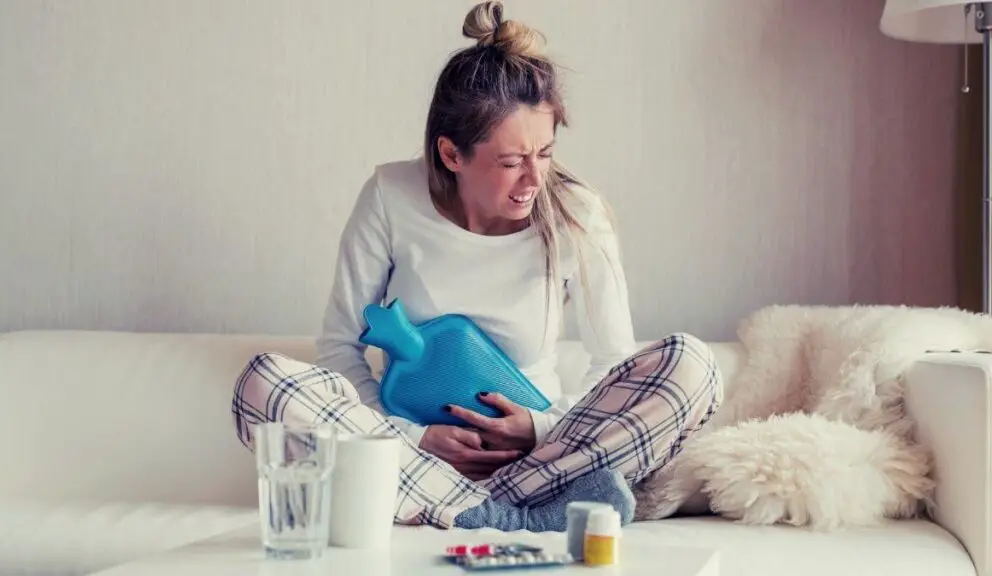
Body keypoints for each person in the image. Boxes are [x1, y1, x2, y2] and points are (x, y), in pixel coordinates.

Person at [232, 1, 722, 532]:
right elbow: (340, 348)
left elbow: (612, 359)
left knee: (691, 365)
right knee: (263, 383)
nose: (533, 179)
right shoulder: (390, 197)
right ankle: (506, 510)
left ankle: (486, 506)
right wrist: (410, 438)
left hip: (544, 455)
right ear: (451, 154)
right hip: (415, 458)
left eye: (545, 153)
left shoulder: (577, 215)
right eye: (510, 162)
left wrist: (538, 429)